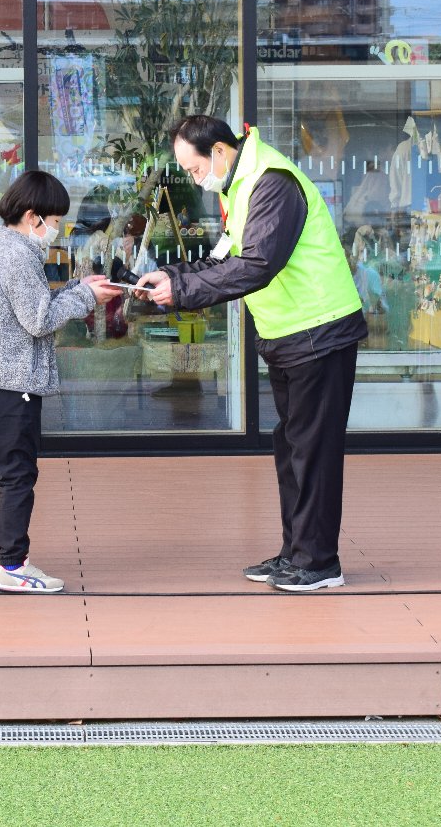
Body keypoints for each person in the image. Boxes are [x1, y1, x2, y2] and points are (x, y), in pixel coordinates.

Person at [136, 116, 364, 593]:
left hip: (319, 331)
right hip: (289, 335)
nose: (195, 179)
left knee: (313, 452)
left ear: (219, 151)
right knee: (293, 448)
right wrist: (172, 277)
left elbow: (257, 265)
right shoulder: (239, 187)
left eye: (195, 168)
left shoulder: (272, 183)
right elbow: (225, 257)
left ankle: (320, 563)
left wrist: (183, 292)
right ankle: (296, 552)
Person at [0, 171, 119, 593]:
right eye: (55, 220)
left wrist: (78, 287)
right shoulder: (20, 255)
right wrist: (86, 297)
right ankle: (13, 566)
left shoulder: (1, 246)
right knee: (17, 475)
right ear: (33, 217)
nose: (57, 228)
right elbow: (39, 319)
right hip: (12, 383)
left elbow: (32, 306)